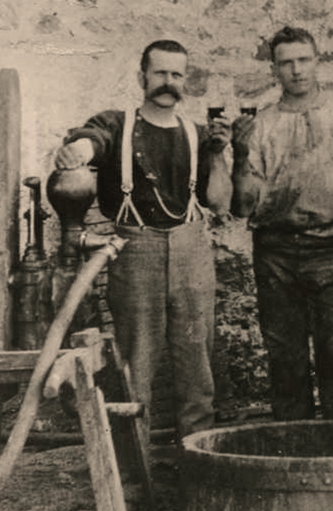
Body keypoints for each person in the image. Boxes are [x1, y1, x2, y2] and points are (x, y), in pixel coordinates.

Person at [54, 39, 232, 438]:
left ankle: (197, 470)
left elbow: (220, 203)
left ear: (185, 80)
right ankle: (137, 476)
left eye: (176, 74)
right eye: (159, 73)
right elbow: (91, 139)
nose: (168, 82)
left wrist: (220, 153)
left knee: (197, 365)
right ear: (142, 77)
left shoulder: (196, 134)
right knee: (137, 364)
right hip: (136, 252)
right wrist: (76, 152)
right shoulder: (118, 125)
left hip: (192, 252)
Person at [230, 26, 333, 420]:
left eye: (304, 60)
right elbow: (244, 205)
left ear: (317, 62)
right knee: (285, 360)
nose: (297, 71)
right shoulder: (262, 126)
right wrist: (238, 155)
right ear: (274, 70)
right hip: (276, 254)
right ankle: (294, 446)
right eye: (286, 63)